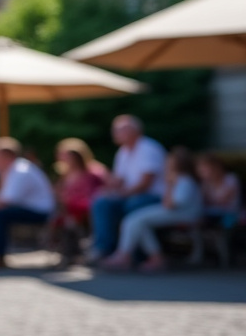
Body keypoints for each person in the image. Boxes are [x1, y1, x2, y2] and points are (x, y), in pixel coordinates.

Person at [100, 150, 202, 272]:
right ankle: (155, 257)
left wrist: (170, 185)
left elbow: (170, 205)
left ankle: (124, 255)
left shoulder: (184, 181)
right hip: (179, 212)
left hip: (184, 215)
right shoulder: (181, 180)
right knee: (137, 222)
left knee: (134, 220)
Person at [88, 115, 166, 262]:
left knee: (131, 206)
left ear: (133, 131)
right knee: (102, 203)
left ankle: (134, 253)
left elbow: (145, 183)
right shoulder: (123, 152)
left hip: (154, 197)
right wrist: (107, 189)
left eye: (118, 130)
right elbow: (119, 180)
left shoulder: (148, 148)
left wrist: (121, 194)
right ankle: (103, 249)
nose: (114, 134)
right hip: (132, 195)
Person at [0, 137, 55, 269]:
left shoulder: (20, 170)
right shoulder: (14, 169)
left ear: (6, 156)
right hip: (31, 208)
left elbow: (6, 200)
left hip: (40, 211)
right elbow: (4, 197)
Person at [49, 139, 105, 267]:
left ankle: (72, 253)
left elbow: (94, 194)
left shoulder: (93, 172)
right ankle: (69, 253)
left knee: (69, 218)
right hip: (72, 209)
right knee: (61, 217)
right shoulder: (66, 174)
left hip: (87, 208)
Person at [196, 155, 241, 228]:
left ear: (216, 168)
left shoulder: (231, 179)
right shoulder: (205, 183)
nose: (201, 174)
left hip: (229, 214)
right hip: (210, 213)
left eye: (204, 171)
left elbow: (223, 201)